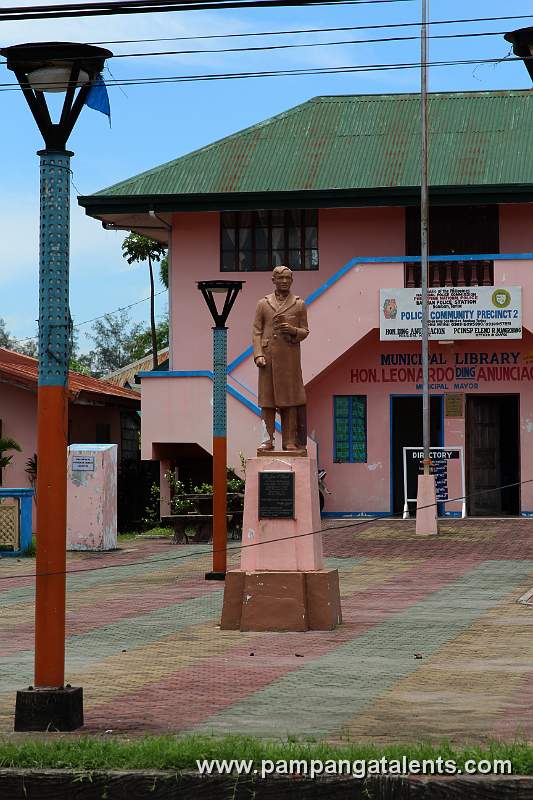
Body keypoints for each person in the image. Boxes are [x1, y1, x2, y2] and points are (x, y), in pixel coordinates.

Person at [253, 266, 309, 451]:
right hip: (268, 360)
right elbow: (257, 331)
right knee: (267, 402)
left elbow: (305, 331)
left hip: (289, 358)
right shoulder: (263, 303)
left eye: (288, 278)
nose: (284, 281)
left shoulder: (299, 304)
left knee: (290, 401)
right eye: (281, 278)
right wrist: (259, 354)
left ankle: (289, 440)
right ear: (274, 280)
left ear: (292, 280)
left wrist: (292, 330)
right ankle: (267, 439)